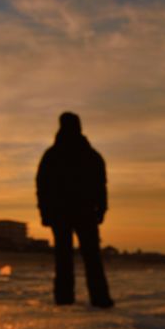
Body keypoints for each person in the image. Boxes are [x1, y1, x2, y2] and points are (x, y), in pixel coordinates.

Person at [36, 112, 114, 308]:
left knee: (67, 258)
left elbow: (42, 186)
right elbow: (100, 185)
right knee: (88, 258)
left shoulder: (54, 155)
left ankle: (66, 299)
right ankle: (98, 299)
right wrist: (101, 209)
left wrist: (45, 212)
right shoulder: (89, 154)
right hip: (77, 212)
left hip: (69, 213)